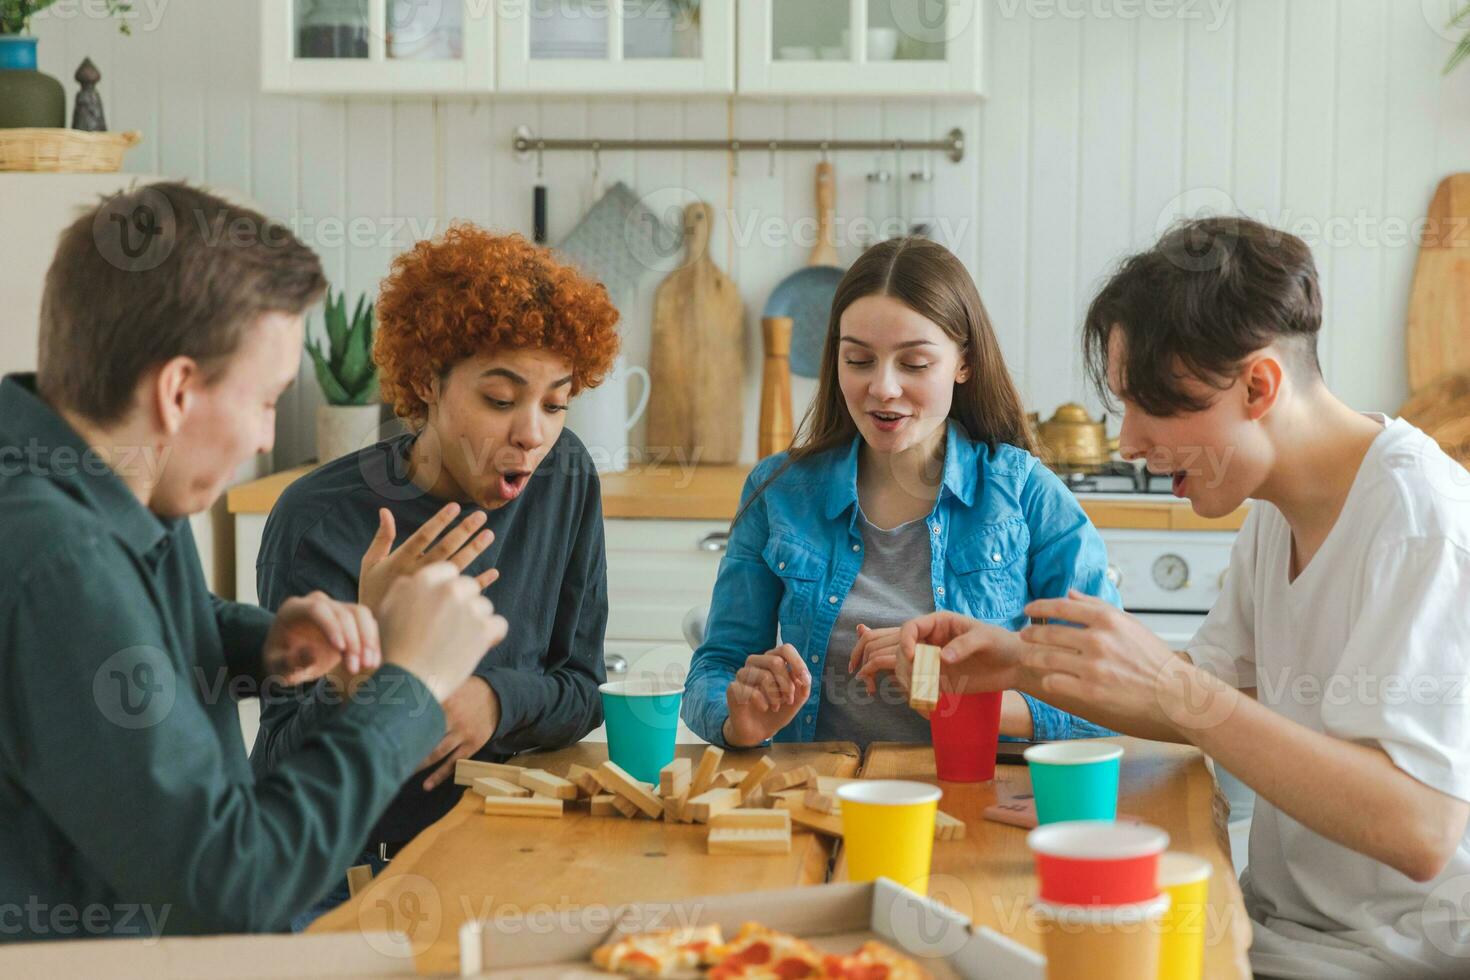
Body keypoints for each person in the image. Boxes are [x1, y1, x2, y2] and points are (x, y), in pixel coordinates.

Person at [899, 217, 1470, 978]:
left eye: (1152, 405)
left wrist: (1174, 685)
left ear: (1259, 385)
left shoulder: (1419, 520)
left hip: (1386, 960)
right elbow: (1209, 695)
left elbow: (1422, 829)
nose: (1129, 441)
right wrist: (1018, 663)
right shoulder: (1277, 508)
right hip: (1275, 931)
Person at [0, 183, 505, 941]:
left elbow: (146, 623)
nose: (267, 439)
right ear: (177, 390)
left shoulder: (116, 484)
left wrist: (263, 642)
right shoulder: (58, 560)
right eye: (267, 400)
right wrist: (411, 688)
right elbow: (232, 884)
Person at [251, 225, 620, 927]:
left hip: (498, 852)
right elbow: (279, 761)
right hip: (337, 878)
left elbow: (583, 688)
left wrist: (496, 699)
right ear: (426, 382)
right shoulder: (319, 518)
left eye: (555, 401)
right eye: (501, 400)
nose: (533, 435)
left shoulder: (566, 476)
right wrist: (367, 656)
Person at [681, 236, 1120, 750]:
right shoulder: (778, 492)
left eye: (913, 364)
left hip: (978, 809)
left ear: (964, 363)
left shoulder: (1026, 495)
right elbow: (715, 669)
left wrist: (943, 687)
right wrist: (739, 723)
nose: (883, 388)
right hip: (816, 802)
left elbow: (1106, 697)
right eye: (859, 360)